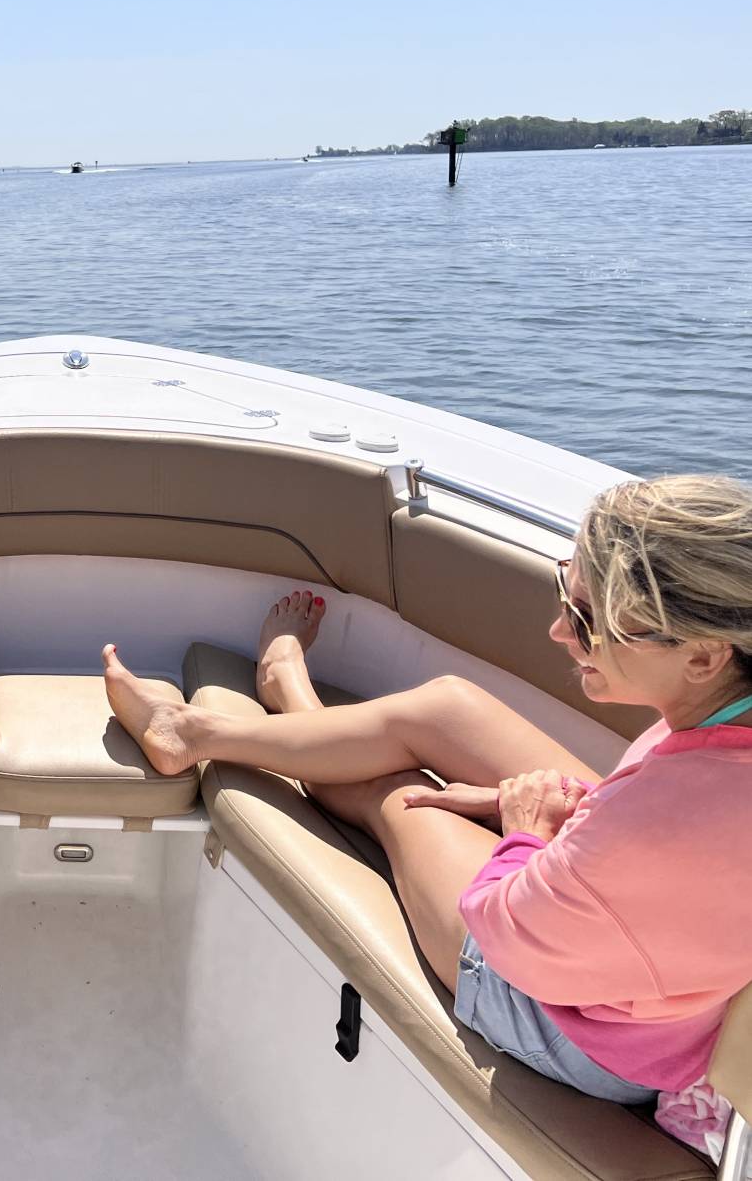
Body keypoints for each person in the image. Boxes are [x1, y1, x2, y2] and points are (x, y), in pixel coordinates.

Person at [103, 474, 752, 1110]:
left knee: (397, 793)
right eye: (566, 587)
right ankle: (273, 705)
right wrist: (570, 814)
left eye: (587, 620)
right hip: (646, 955)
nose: (559, 631)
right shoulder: (722, 729)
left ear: (702, 657)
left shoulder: (664, 814)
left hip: (583, 1029)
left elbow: (508, 939)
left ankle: (219, 721)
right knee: (447, 710)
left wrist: (524, 830)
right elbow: (666, 845)